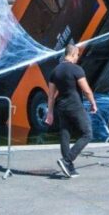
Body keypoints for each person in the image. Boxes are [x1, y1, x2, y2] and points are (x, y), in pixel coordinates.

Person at [44, 44, 97, 179]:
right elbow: (86, 90)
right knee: (87, 133)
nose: (78, 58)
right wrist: (93, 103)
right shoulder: (76, 69)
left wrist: (49, 113)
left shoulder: (55, 71)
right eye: (77, 55)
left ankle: (69, 168)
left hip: (61, 106)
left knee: (65, 134)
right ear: (73, 54)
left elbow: (51, 95)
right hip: (75, 106)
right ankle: (67, 160)